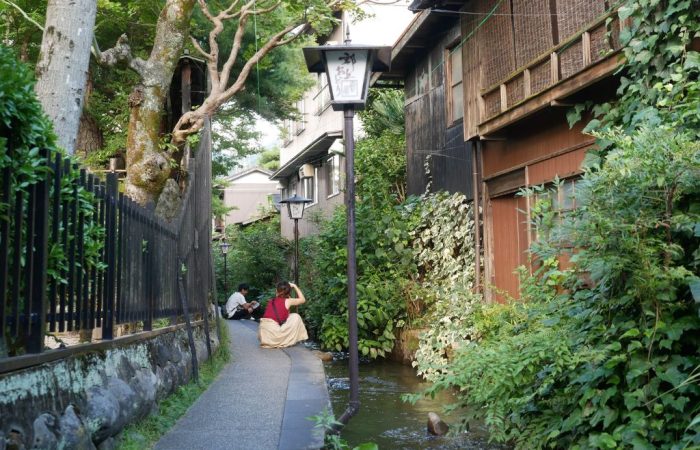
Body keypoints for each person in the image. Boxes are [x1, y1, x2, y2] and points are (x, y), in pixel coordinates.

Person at [258, 281, 308, 348]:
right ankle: (293, 339)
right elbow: (303, 300)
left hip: (263, 336)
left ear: (276, 290)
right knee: (296, 316)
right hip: (273, 337)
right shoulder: (288, 301)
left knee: (290, 315)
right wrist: (295, 286)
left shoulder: (271, 301)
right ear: (288, 292)